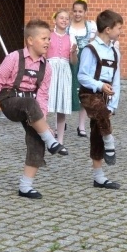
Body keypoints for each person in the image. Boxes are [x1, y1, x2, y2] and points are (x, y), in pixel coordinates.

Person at [0, 19, 66, 200]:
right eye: (44, 38)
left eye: (49, 39)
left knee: (36, 140)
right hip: (10, 101)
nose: (48, 42)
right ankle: (51, 140)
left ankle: (25, 186)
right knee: (31, 105)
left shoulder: (47, 68)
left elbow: (43, 97)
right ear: (30, 40)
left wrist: (42, 122)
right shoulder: (14, 57)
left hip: (31, 107)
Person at [77, 9, 123, 190]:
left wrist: (113, 103)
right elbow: (82, 76)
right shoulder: (91, 49)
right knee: (101, 113)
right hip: (89, 93)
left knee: (98, 133)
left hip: (105, 95)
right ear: (108, 29)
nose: (120, 32)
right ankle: (110, 141)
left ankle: (99, 177)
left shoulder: (115, 52)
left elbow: (117, 81)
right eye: (118, 28)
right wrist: (99, 86)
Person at [66, 0, 97, 138]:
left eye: (80, 11)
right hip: (69, 60)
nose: (77, 14)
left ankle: (81, 126)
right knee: (66, 90)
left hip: (85, 60)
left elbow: (95, 42)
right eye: (75, 11)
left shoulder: (91, 26)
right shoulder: (67, 26)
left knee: (84, 91)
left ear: (85, 12)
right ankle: (61, 120)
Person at [48, 9, 77, 148]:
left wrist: (73, 53)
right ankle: (46, 134)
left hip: (64, 69)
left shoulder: (71, 38)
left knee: (62, 105)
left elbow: (73, 62)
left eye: (67, 19)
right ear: (55, 20)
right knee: (46, 103)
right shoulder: (49, 35)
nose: (64, 20)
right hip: (51, 68)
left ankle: (60, 140)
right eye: (61, 18)